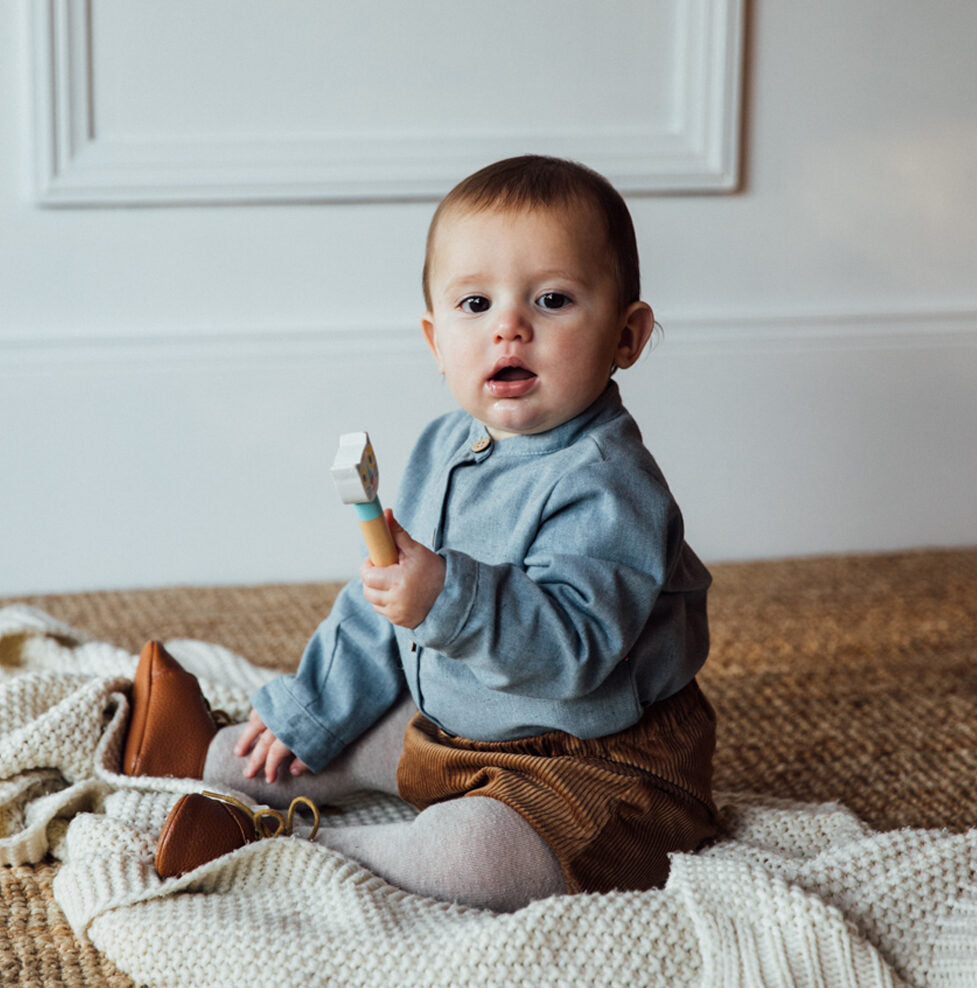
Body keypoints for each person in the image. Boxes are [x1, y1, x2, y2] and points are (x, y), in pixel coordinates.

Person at [124, 154, 719, 913]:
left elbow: (576, 649)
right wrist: (307, 710)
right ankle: (201, 757)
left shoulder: (609, 485)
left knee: (475, 857)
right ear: (437, 342)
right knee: (352, 727)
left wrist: (445, 595)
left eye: (552, 299)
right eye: (475, 304)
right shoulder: (445, 446)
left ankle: (277, 848)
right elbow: (383, 600)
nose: (509, 325)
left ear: (625, 337)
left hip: (600, 766)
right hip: (461, 725)